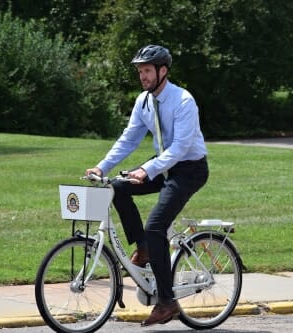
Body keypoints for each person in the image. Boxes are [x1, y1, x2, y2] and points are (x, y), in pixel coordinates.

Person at [85, 44, 208, 326]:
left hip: (188, 169)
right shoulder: (143, 101)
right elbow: (129, 139)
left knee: (155, 226)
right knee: (118, 186)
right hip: (164, 165)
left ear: (163, 71)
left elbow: (180, 147)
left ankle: (166, 302)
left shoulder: (184, 101)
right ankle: (144, 248)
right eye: (140, 71)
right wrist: (102, 166)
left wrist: (147, 169)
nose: (143, 76)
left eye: (148, 71)